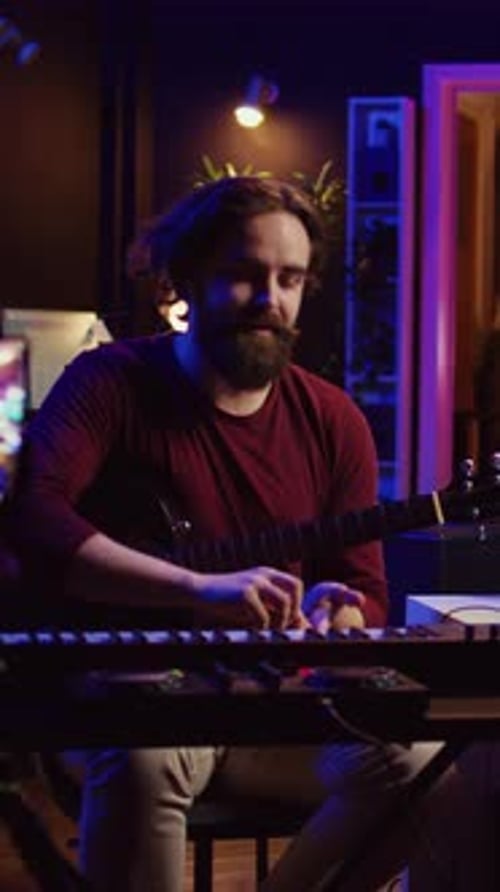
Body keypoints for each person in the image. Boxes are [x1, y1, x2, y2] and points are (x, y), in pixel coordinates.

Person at [6, 176, 472, 891]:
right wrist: (196, 589)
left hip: (275, 709)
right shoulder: (110, 382)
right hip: (127, 700)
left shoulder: (334, 420)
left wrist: (339, 613)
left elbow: (364, 590)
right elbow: (34, 517)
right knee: (142, 757)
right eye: (245, 274)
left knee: (424, 766)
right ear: (187, 278)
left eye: (290, 279)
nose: (270, 299)